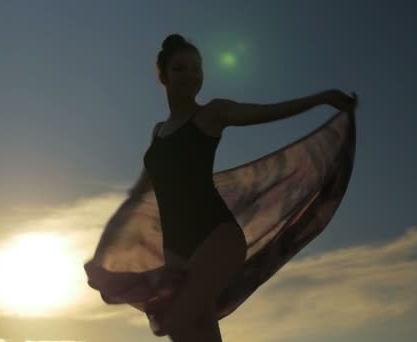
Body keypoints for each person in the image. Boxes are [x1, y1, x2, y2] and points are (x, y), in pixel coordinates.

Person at [84, 33, 358, 342]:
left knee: (178, 320)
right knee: (197, 333)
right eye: (180, 68)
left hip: (217, 237)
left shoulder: (211, 114)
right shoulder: (158, 132)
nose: (190, 75)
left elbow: (263, 111)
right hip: (176, 251)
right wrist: (104, 252)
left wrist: (320, 99)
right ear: (162, 75)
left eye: (196, 68)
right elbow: (136, 196)